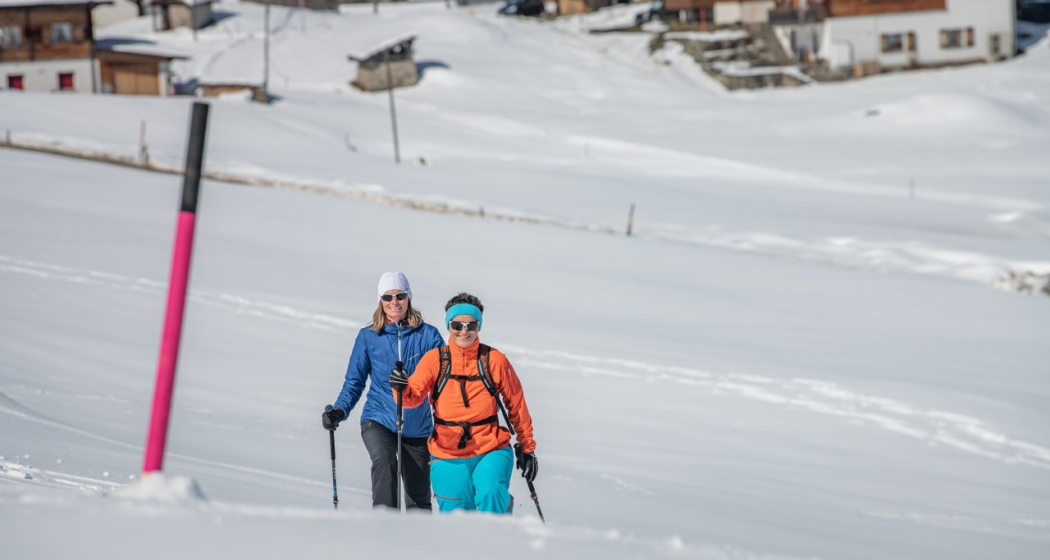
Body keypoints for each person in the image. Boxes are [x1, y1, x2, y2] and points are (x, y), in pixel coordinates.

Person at [390, 293, 538, 514]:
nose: (464, 331)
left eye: (471, 325)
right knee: (456, 516)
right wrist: (400, 387)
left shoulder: (494, 360)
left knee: (491, 493)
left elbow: (516, 404)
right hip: (446, 454)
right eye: (457, 324)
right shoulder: (434, 360)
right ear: (449, 326)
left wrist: (527, 448)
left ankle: (500, 544)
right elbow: (411, 399)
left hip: (491, 448)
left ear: (479, 326)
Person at [321, 271, 443, 510]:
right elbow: (354, 382)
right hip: (379, 419)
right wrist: (339, 410)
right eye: (387, 297)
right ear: (380, 301)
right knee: (385, 460)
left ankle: (420, 542)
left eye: (399, 296)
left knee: (418, 499)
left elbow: (443, 383)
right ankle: (384, 529)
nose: (394, 302)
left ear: (409, 298)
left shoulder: (429, 336)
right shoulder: (368, 337)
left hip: (417, 426)